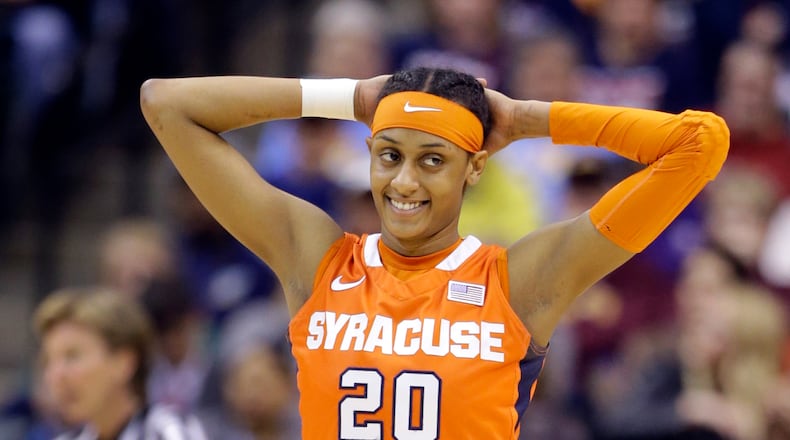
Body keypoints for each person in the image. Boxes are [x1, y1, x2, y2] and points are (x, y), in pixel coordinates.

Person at [140, 65, 729, 438]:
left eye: (433, 161)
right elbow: (166, 103)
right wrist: (353, 96)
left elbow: (699, 143)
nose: (404, 183)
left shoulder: (518, 281)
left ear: (474, 167)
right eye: (389, 155)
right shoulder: (315, 257)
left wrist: (525, 119)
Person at [34, 287, 207, 439]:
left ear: (124, 362)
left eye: (73, 356)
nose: (56, 375)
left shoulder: (170, 432)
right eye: (48, 361)